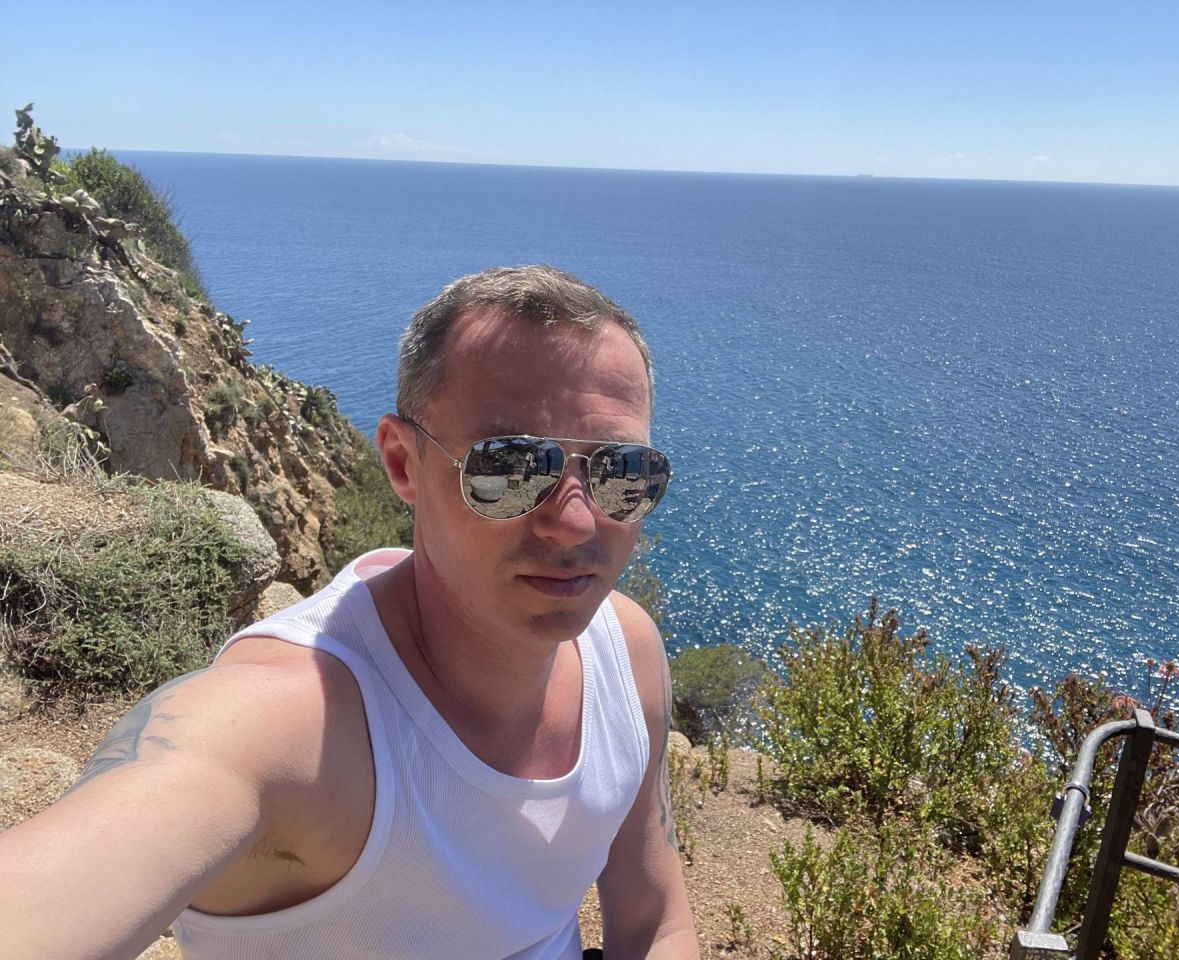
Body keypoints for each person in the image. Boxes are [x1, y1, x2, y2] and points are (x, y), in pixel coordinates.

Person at [0, 265, 699, 960]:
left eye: (622, 472)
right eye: (510, 466)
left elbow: (656, 922)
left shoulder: (625, 649)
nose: (575, 523)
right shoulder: (292, 723)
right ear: (402, 462)